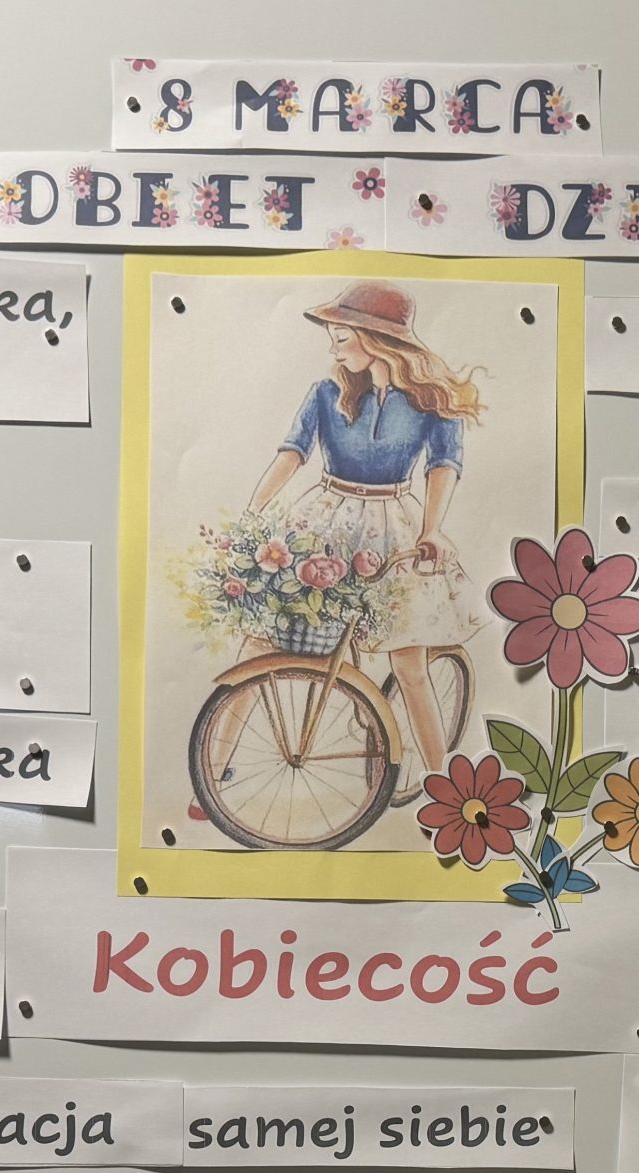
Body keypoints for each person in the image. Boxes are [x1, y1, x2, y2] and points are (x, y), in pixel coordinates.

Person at [191, 282, 485, 823]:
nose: (334, 348)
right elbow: (292, 453)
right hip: (323, 519)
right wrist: (254, 513)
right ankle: (216, 768)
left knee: (409, 663)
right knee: (261, 643)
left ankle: (446, 789)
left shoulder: (430, 400)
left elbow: (444, 465)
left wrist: (432, 529)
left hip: (392, 524)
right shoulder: (327, 393)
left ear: (377, 339)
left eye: (342, 337)